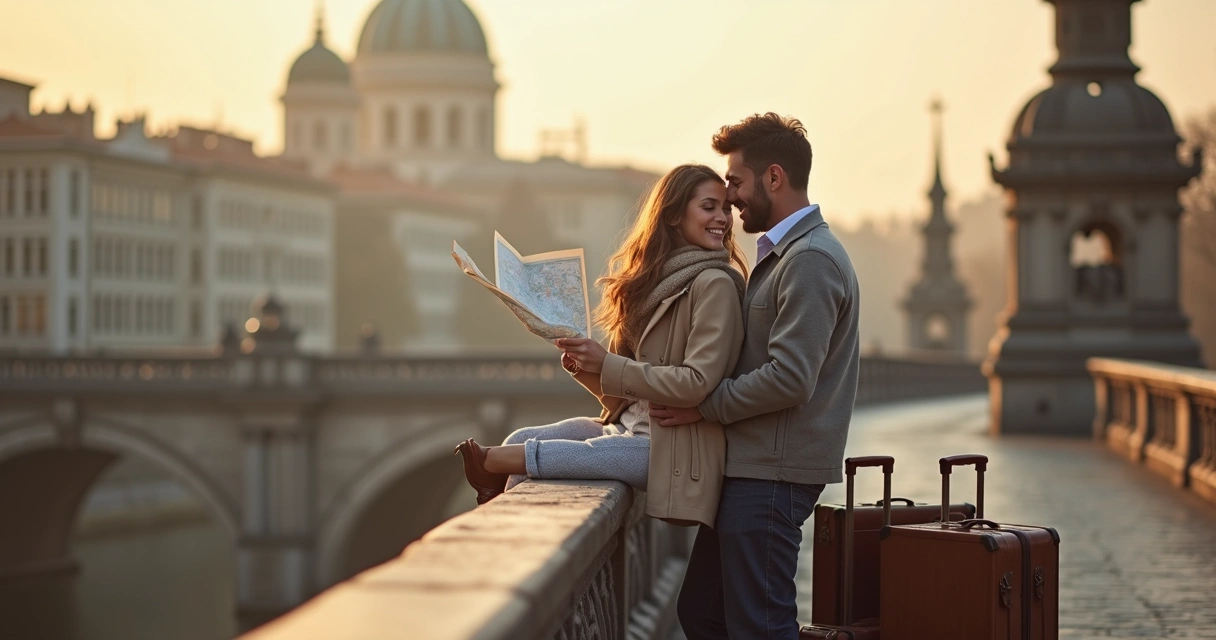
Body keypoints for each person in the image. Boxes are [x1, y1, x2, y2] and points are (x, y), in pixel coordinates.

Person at [652, 114, 860, 639]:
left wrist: (705, 405)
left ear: (773, 177)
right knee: (705, 613)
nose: (732, 197)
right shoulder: (787, 256)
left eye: (737, 184)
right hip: (752, 468)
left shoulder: (810, 260)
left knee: (759, 628)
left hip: (773, 474)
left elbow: (791, 378)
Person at [454, 164, 748, 528]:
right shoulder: (651, 284)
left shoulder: (715, 284)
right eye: (709, 207)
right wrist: (586, 366)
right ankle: (503, 531)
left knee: (539, 454)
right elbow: (624, 397)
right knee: (521, 436)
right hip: (622, 428)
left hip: (670, 447)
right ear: (672, 216)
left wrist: (607, 362)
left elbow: (695, 383)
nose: (723, 218)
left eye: (725, 209)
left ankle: (490, 470)